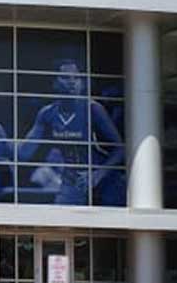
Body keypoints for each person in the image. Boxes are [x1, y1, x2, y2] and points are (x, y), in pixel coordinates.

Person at [16, 55, 124, 204]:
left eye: (76, 78)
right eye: (66, 78)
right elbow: (24, 153)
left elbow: (120, 149)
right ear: (54, 83)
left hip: (105, 179)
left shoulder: (93, 109)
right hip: (72, 181)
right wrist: (0, 141)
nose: (72, 82)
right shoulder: (47, 113)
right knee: (59, 222)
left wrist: (98, 175)